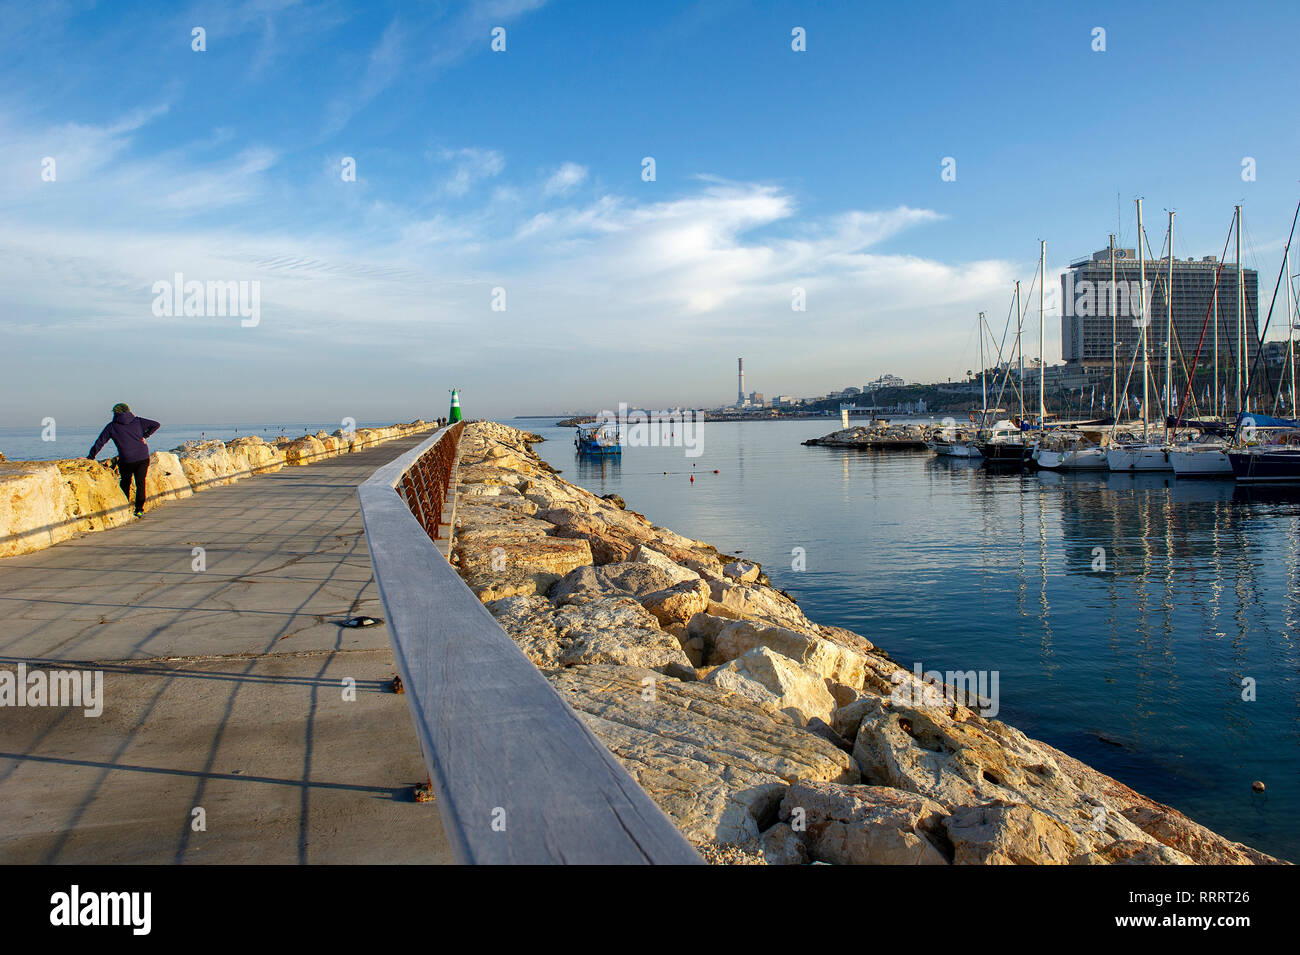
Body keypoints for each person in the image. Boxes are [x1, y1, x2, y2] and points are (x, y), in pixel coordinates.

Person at [88, 403, 161, 517]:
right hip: (142, 457)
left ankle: (124, 507)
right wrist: (145, 436)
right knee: (140, 483)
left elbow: (100, 442)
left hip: (126, 460)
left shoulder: (111, 426)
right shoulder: (137, 421)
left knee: (125, 483)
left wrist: (91, 457)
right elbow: (156, 424)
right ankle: (139, 509)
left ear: (115, 413)